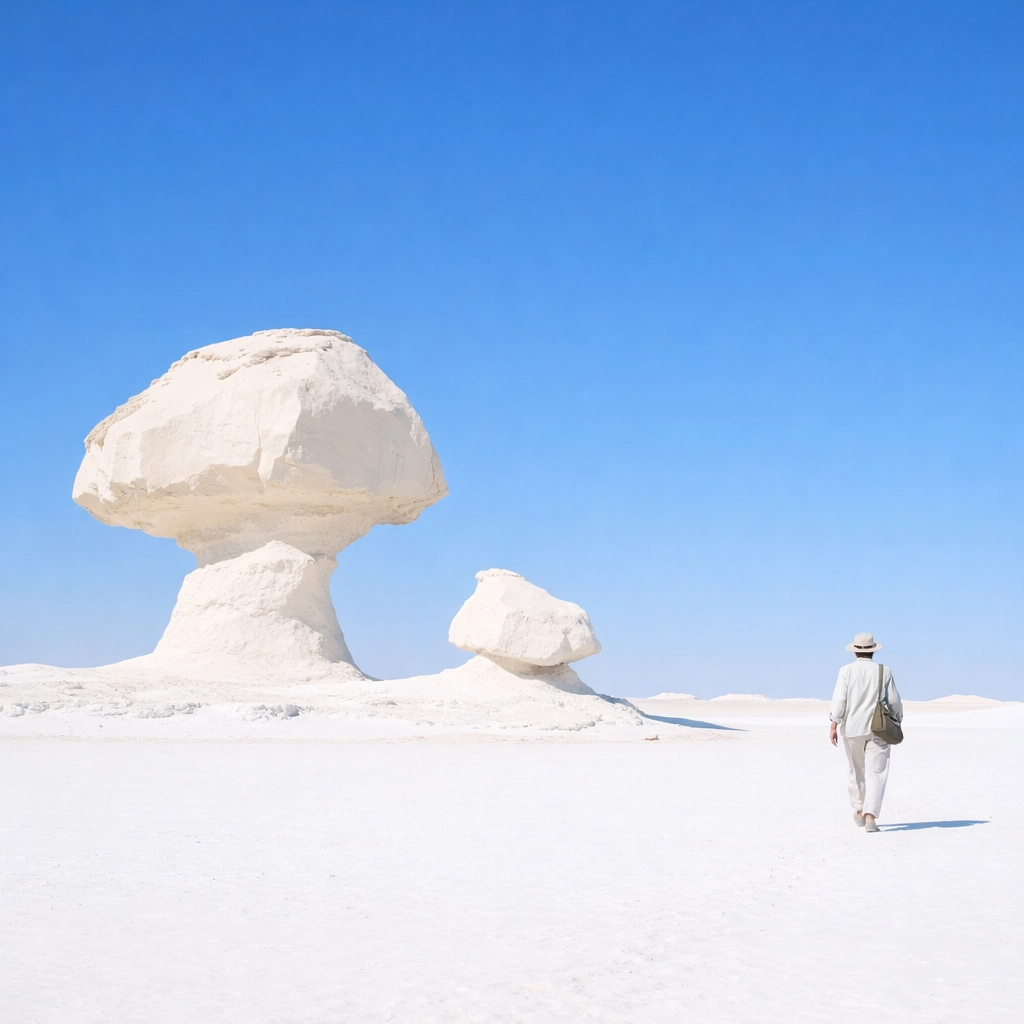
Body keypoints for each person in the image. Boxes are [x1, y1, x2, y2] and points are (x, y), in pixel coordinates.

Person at [829, 632, 903, 833]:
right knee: (877, 773)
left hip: (852, 729)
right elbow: (895, 701)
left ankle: (860, 810)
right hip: (878, 728)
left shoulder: (846, 671)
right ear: (872, 650)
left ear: (855, 652)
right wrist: (898, 720)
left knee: (857, 771)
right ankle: (870, 817)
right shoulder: (883, 671)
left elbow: (839, 700)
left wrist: (834, 723)